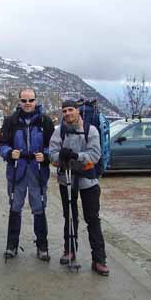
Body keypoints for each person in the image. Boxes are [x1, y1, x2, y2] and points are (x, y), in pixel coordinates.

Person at [49, 99, 109, 276]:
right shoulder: (59, 132)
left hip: (88, 181)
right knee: (69, 216)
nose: (67, 113)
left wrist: (75, 156)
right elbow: (51, 155)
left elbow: (95, 155)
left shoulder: (91, 130)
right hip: (65, 179)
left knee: (92, 218)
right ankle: (70, 250)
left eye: (71, 110)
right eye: (65, 111)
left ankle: (99, 259)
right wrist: (61, 157)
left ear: (78, 111)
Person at [0, 88, 54, 261]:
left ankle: (42, 247)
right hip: (16, 171)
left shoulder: (45, 121)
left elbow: (54, 145)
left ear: (36, 101)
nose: (27, 104)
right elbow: (1, 143)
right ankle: (11, 246)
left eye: (31, 100)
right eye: (24, 100)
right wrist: (8, 152)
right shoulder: (10, 121)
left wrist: (46, 154)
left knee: (39, 208)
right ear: (19, 102)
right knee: (15, 207)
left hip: (37, 171)